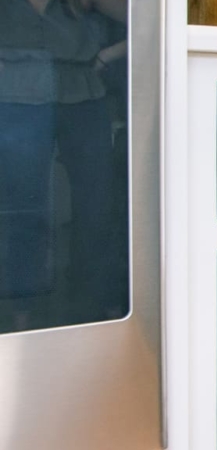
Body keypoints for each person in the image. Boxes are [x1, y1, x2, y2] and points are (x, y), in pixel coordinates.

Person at [0, 0, 127, 330]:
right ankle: (20, 314)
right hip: (16, 96)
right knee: (24, 209)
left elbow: (154, 24)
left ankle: (97, 309)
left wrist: (107, 55)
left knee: (96, 207)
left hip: (83, 96)